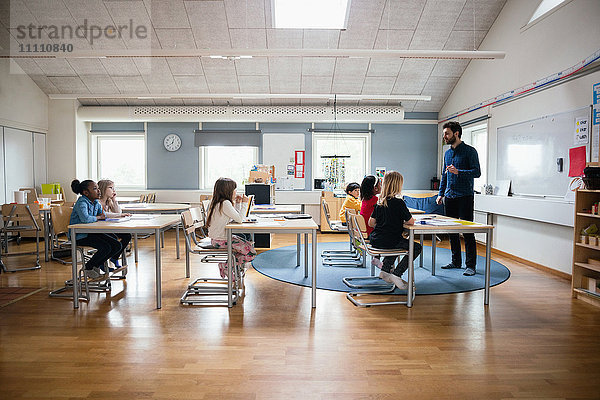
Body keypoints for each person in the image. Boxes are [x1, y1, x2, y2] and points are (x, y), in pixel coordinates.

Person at [436, 121, 481, 276]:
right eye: (444, 134)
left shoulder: (470, 151)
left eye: (447, 133)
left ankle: (471, 266)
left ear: (456, 133)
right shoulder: (447, 153)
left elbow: (477, 172)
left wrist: (459, 172)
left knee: (467, 232)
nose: (444, 137)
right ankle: (456, 261)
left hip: (465, 196)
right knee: (452, 231)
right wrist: (440, 193)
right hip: (449, 196)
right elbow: (444, 174)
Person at [368, 171, 422, 290]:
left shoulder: (380, 202)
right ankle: (397, 274)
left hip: (376, 239)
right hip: (390, 241)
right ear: (398, 185)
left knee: (400, 242)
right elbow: (411, 222)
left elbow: (371, 223)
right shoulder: (399, 203)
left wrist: (385, 221)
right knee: (416, 247)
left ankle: (385, 270)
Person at [69, 179, 122, 280]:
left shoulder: (95, 203)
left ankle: (95, 265)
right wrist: (98, 217)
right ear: (86, 193)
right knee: (106, 247)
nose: (99, 191)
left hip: (91, 233)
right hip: (80, 235)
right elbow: (85, 218)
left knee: (116, 245)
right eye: (95, 189)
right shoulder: (82, 202)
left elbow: (102, 214)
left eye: (98, 188)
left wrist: (119, 215)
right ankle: (88, 267)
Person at [206, 178, 257, 280]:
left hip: (217, 239)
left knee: (247, 245)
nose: (236, 192)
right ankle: (227, 266)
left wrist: (238, 203)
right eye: (235, 189)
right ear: (228, 191)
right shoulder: (225, 203)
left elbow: (235, 216)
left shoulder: (216, 202)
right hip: (222, 240)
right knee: (251, 253)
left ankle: (230, 266)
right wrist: (245, 203)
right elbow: (239, 219)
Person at [98, 179, 132, 272]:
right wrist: (119, 215)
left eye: (114, 188)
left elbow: (118, 212)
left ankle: (115, 257)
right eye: (111, 188)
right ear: (103, 189)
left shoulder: (109, 202)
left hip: (109, 227)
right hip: (100, 229)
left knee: (127, 235)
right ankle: (102, 260)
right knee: (113, 241)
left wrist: (114, 199)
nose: (113, 190)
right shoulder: (98, 202)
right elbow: (105, 214)